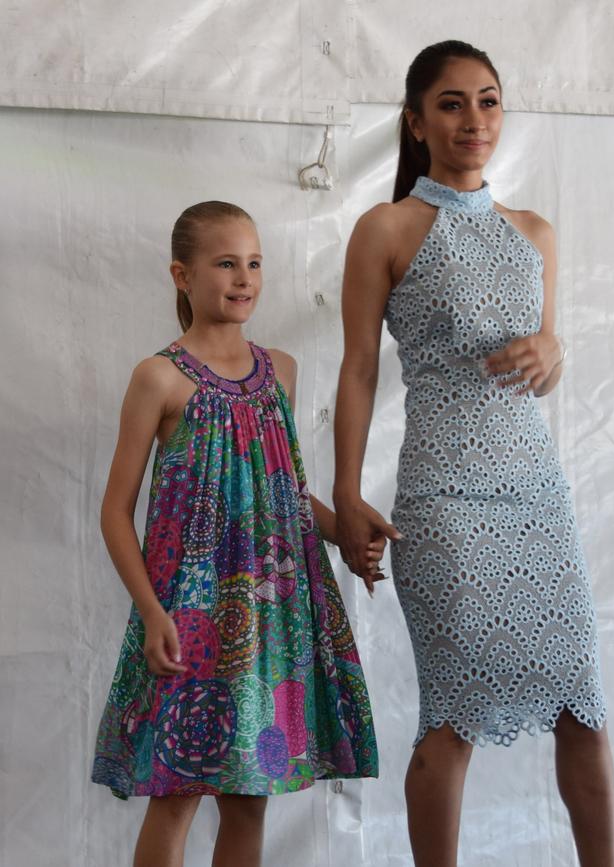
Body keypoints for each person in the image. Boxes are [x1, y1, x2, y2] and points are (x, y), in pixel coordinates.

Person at [332, 40, 614, 867]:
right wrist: (346, 497)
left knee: (584, 707)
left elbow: (546, 357)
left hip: (536, 492)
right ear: (416, 123)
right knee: (452, 711)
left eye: (488, 100)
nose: (474, 119)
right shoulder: (385, 228)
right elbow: (357, 369)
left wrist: (552, 350)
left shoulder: (534, 231)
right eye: (452, 103)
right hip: (445, 496)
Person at [91, 200, 381, 867]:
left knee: (250, 795)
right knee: (178, 788)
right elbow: (114, 510)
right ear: (182, 275)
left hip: (271, 615)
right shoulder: (158, 377)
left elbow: (279, 491)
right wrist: (151, 609)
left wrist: (347, 533)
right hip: (188, 617)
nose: (244, 276)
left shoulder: (280, 369)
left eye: (253, 262)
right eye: (226, 262)